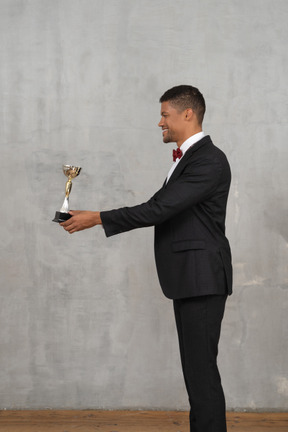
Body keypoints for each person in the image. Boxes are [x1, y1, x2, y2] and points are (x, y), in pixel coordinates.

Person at [61, 85, 232, 432]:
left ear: (188, 114)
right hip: (190, 278)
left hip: (202, 279)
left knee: (202, 377)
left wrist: (98, 218)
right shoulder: (189, 159)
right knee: (197, 376)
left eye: (165, 114)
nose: (160, 122)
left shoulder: (209, 160)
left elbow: (160, 209)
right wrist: (95, 215)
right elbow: (161, 207)